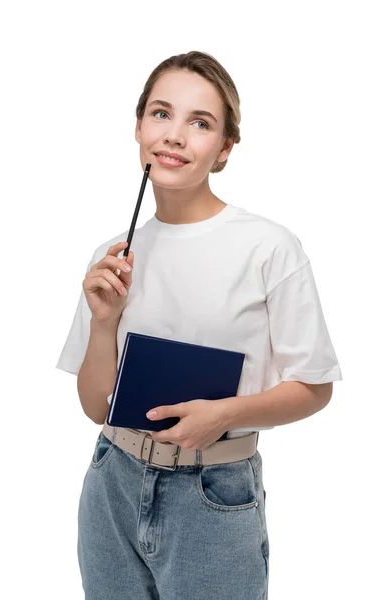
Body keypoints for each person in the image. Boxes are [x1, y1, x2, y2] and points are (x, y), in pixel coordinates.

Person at [56, 50, 342, 600]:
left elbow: (315, 388)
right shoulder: (114, 254)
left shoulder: (269, 247)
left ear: (225, 148)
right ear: (139, 127)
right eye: (161, 114)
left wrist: (226, 415)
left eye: (200, 122)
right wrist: (103, 323)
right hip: (111, 484)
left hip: (214, 494)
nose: (175, 136)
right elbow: (96, 406)